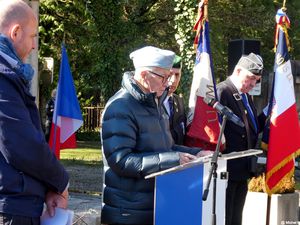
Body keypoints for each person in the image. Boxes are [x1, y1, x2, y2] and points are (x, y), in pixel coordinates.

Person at [101, 46, 211, 225]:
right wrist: (172, 159)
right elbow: (121, 160)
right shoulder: (120, 107)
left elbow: (165, 147)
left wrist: (196, 153)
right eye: (164, 77)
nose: (168, 82)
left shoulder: (154, 104)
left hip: (154, 204)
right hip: (128, 210)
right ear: (144, 75)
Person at [0, 0, 69, 224]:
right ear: (16, 32)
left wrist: (47, 188)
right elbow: (21, 145)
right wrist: (61, 181)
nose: (33, 46)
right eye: (32, 37)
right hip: (11, 208)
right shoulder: (3, 76)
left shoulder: (9, 73)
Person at [216, 53, 266, 225]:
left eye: (257, 80)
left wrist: (267, 112)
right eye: (251, 78)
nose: (253, 84)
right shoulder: (223, 91)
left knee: (237, 219)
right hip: (227, 169)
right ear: (238, 71)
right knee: (226, 218)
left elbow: (252, 129)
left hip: (242, 168)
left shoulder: (245, 95)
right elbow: (215, 132)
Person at [163, 55, 186, 145]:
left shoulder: (179, 101)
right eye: (170, 75)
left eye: (177, 75)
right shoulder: (152, 101)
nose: (173, 80)